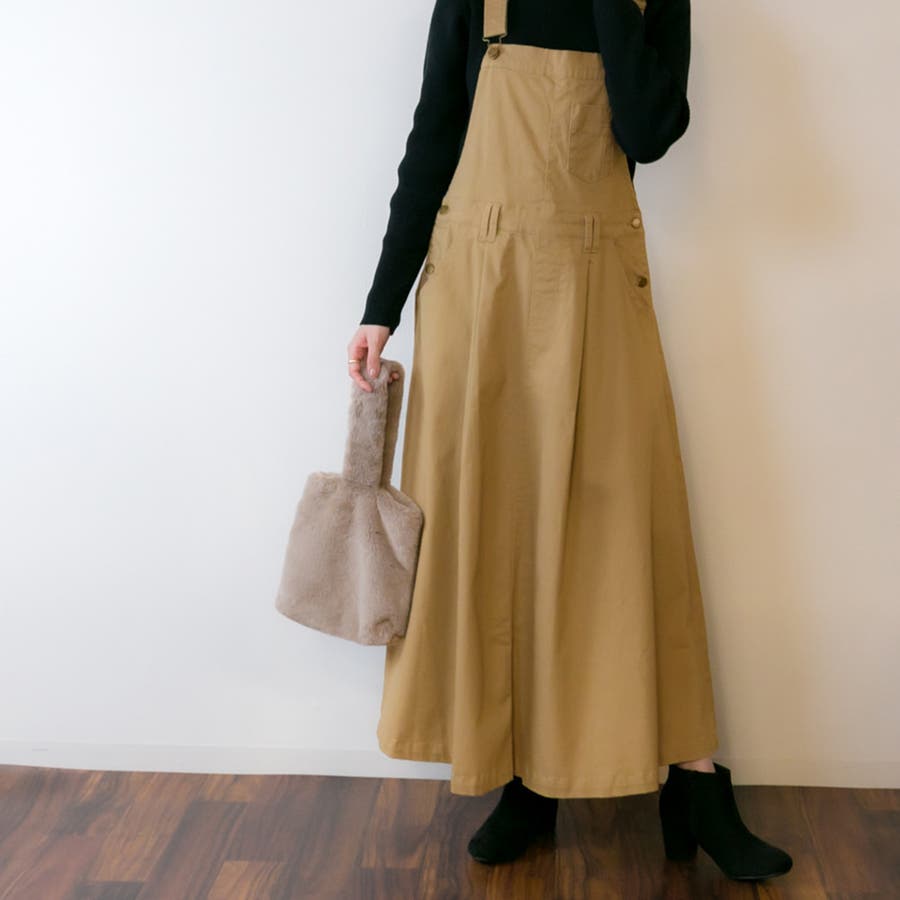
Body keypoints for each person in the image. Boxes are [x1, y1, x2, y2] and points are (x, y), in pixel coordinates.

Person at [347, 0, 793, 880]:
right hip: (479, 292)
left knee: (627, 529)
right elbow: (433, 139)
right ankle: (525, 776)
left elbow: (651, 132)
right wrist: (379, 307)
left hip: (595, 283)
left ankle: (694, 781)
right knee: (499, 538)